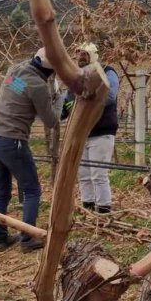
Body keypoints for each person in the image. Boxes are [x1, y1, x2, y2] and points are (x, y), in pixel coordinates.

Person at [0, 48, 62, 252]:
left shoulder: (14, 72)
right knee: (32, 190)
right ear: (50, 71)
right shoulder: (37, 85)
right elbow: (51, 120)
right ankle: (28, 239)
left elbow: (21, 92)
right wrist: (59, 99)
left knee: (2, 192)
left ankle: (0, 238)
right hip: (13, 142)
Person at [62, 42, 119, 214]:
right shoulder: (75, 81)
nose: (79, 58)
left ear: (93, 55)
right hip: (81, 134)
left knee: (98, 174)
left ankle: (103, 210)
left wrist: (86, 99)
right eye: (78, 54)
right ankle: (88, 207)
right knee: (84, 174)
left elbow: (109, 96)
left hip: (101, 133)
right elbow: (65, 108)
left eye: (84, 54)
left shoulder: (108, 72)